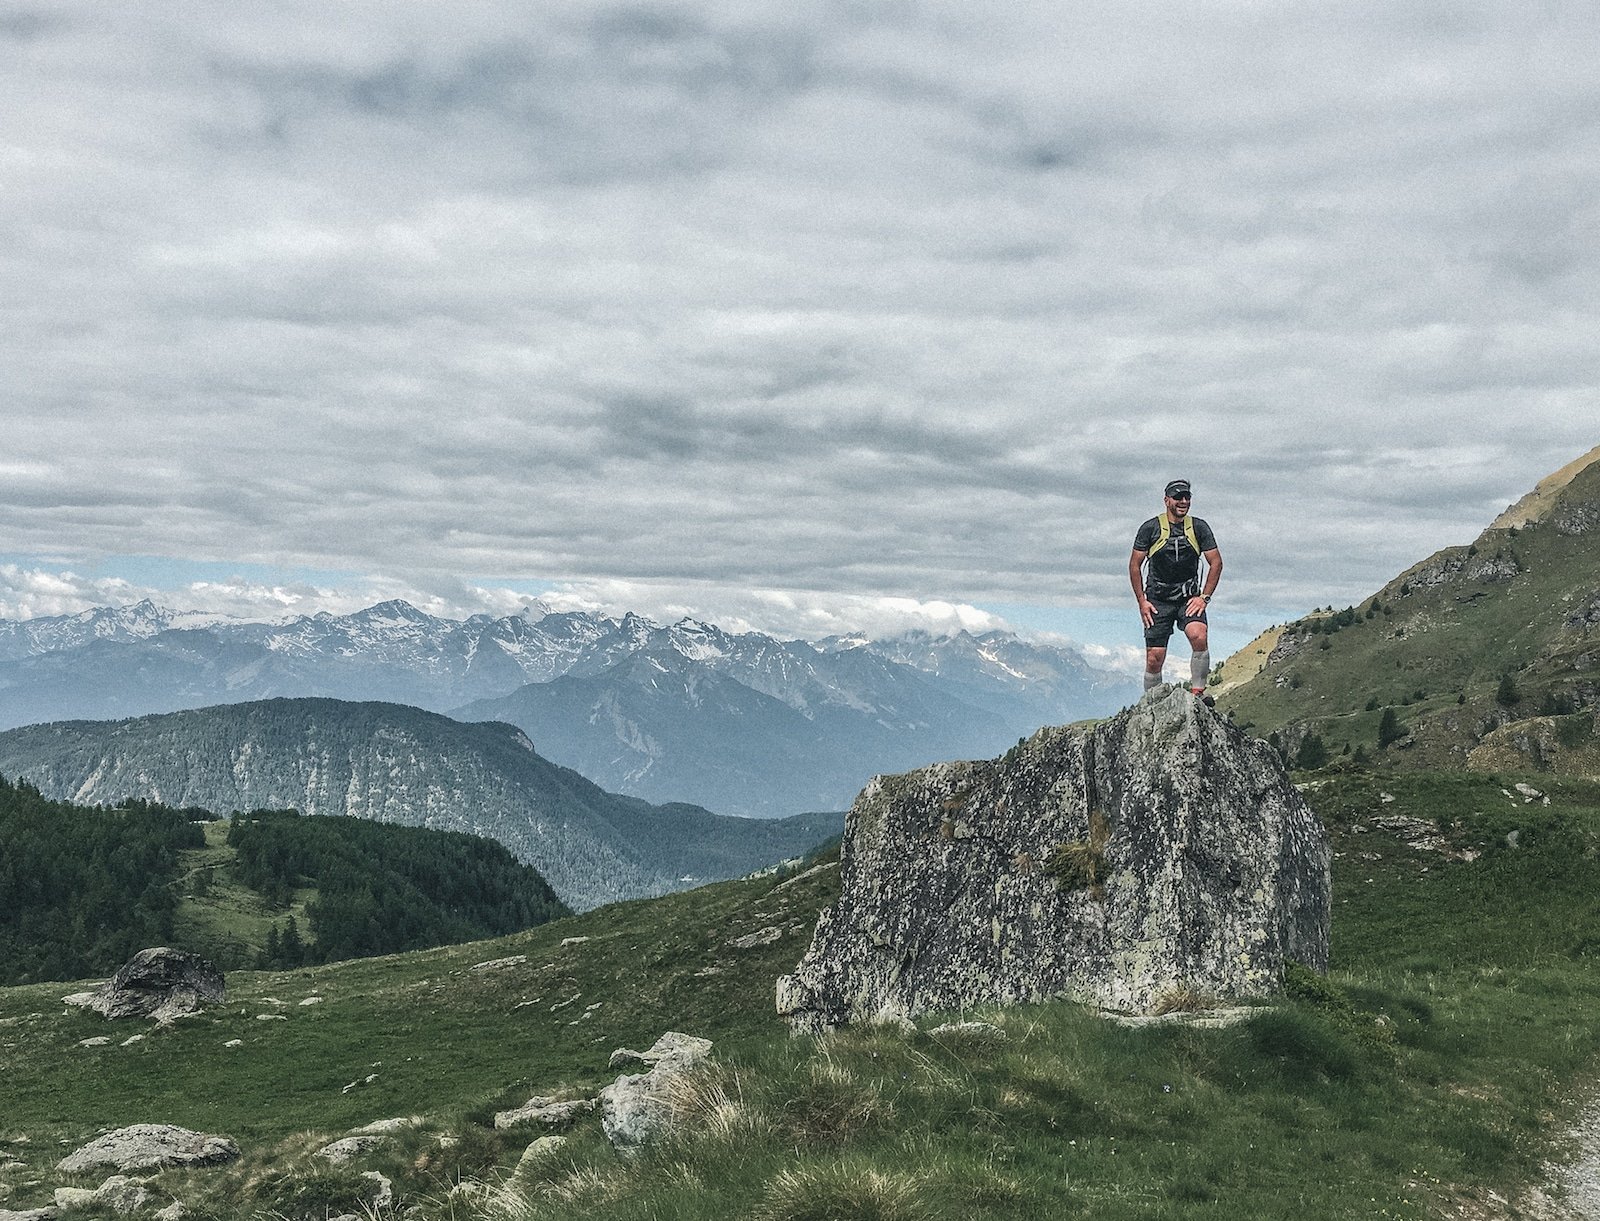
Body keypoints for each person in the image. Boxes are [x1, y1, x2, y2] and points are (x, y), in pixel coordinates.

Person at [1129, 478, 1222, 700]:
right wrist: (1142, 601)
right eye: (1178, 497)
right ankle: (1153, 702)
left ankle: (1198, 692)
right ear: (1166, 500)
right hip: (1157, 600)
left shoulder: (1199, 527)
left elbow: (1216, 562)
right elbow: (1134, 565)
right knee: (1154, 658)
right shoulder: (1150, 528)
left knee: (1198, 635)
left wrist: (1204, 598)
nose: (1183, 501)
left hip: (1188, 597)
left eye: (1187, 497)